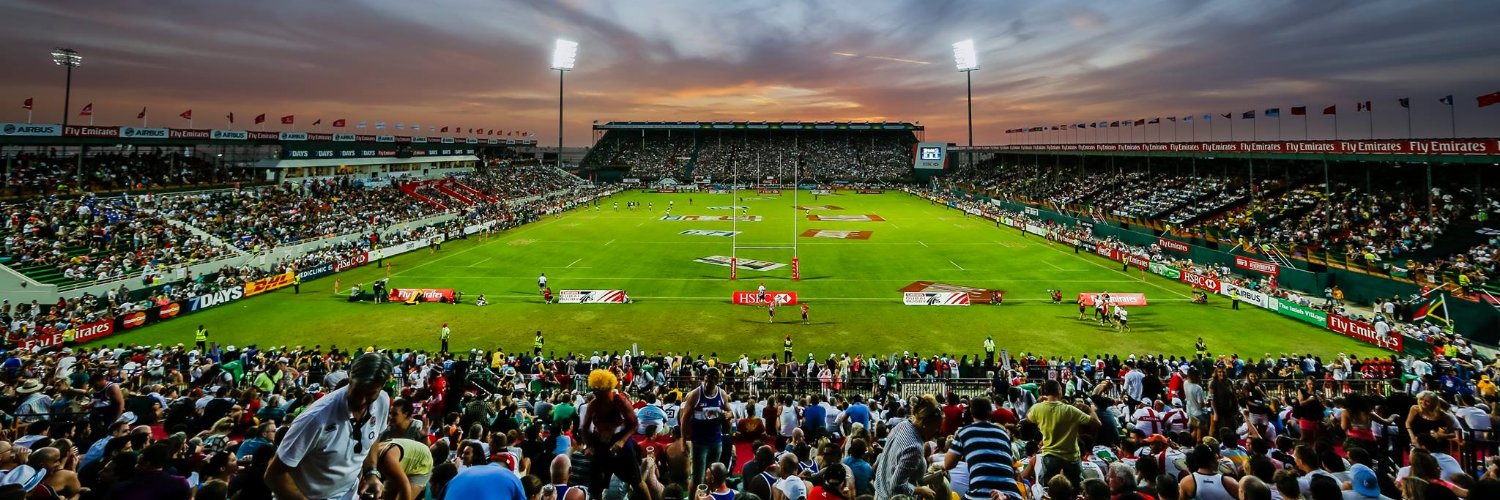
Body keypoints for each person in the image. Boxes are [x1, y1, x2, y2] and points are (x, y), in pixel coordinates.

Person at [265, 352, 394, 500]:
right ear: (350, 378)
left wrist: (371, 472)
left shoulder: (382, 401)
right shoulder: (315, 419)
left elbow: (373, 436)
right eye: (357, 391)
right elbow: (274, 475)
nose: (362, 400)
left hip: (349, 494)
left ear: (382, 386)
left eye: (370, 393)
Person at [580, 369, 645, 497]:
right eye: (594, 391)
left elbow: (634, 424)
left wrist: (622, 441)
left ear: (608, 389)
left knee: (636, 481)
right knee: (595, 486)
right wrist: (589, 446)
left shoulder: (621, 402)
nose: (596, 394)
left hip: (621, 441)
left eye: (599, 391)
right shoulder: (593, 405)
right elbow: (584, 429)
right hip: (601, 443)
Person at [1028, 379, 1100, 487]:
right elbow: (1097, 423)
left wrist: (1039, 402)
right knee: (1075, 490)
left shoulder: (1038, 408)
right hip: (1071, 457)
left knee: (1048, 490)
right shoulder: (1070, 410)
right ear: (1059, 390)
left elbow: (1028, 418)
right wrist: (1090, 409)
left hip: (1050, 456)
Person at [946, 398, 1022, 499]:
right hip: (1012, 493)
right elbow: (1009, 462)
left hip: (981, 493)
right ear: (990, 413)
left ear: (972, 413)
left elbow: (948, 464)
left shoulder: (964, 432)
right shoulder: (1003, 434)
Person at [873, 394, 942, 499]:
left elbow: (902, 470)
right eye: (936, 427)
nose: (938, 431)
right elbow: (896, 485)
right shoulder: (914, 448)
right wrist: (920, 490)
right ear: (925, 423)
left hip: (880, 493)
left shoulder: (902, 425)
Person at [681, 367, 731, 492]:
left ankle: (708, 497)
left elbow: (730, 411)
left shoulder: (722, 394)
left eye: (711, 382)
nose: (707, 384)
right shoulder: (695, 395)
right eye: (706, 381)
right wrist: (683, 442)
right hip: (699, 442)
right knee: (698, 478)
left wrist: (727, 415)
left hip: (716, 441)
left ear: (717, 381)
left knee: (712, 477)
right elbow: (684, 419)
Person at [367, 438, 434, 500]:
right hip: (401, 458)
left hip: (422, 463)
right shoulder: (369, 456)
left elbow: (405, 487)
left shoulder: (387, 461)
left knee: (405, 496)